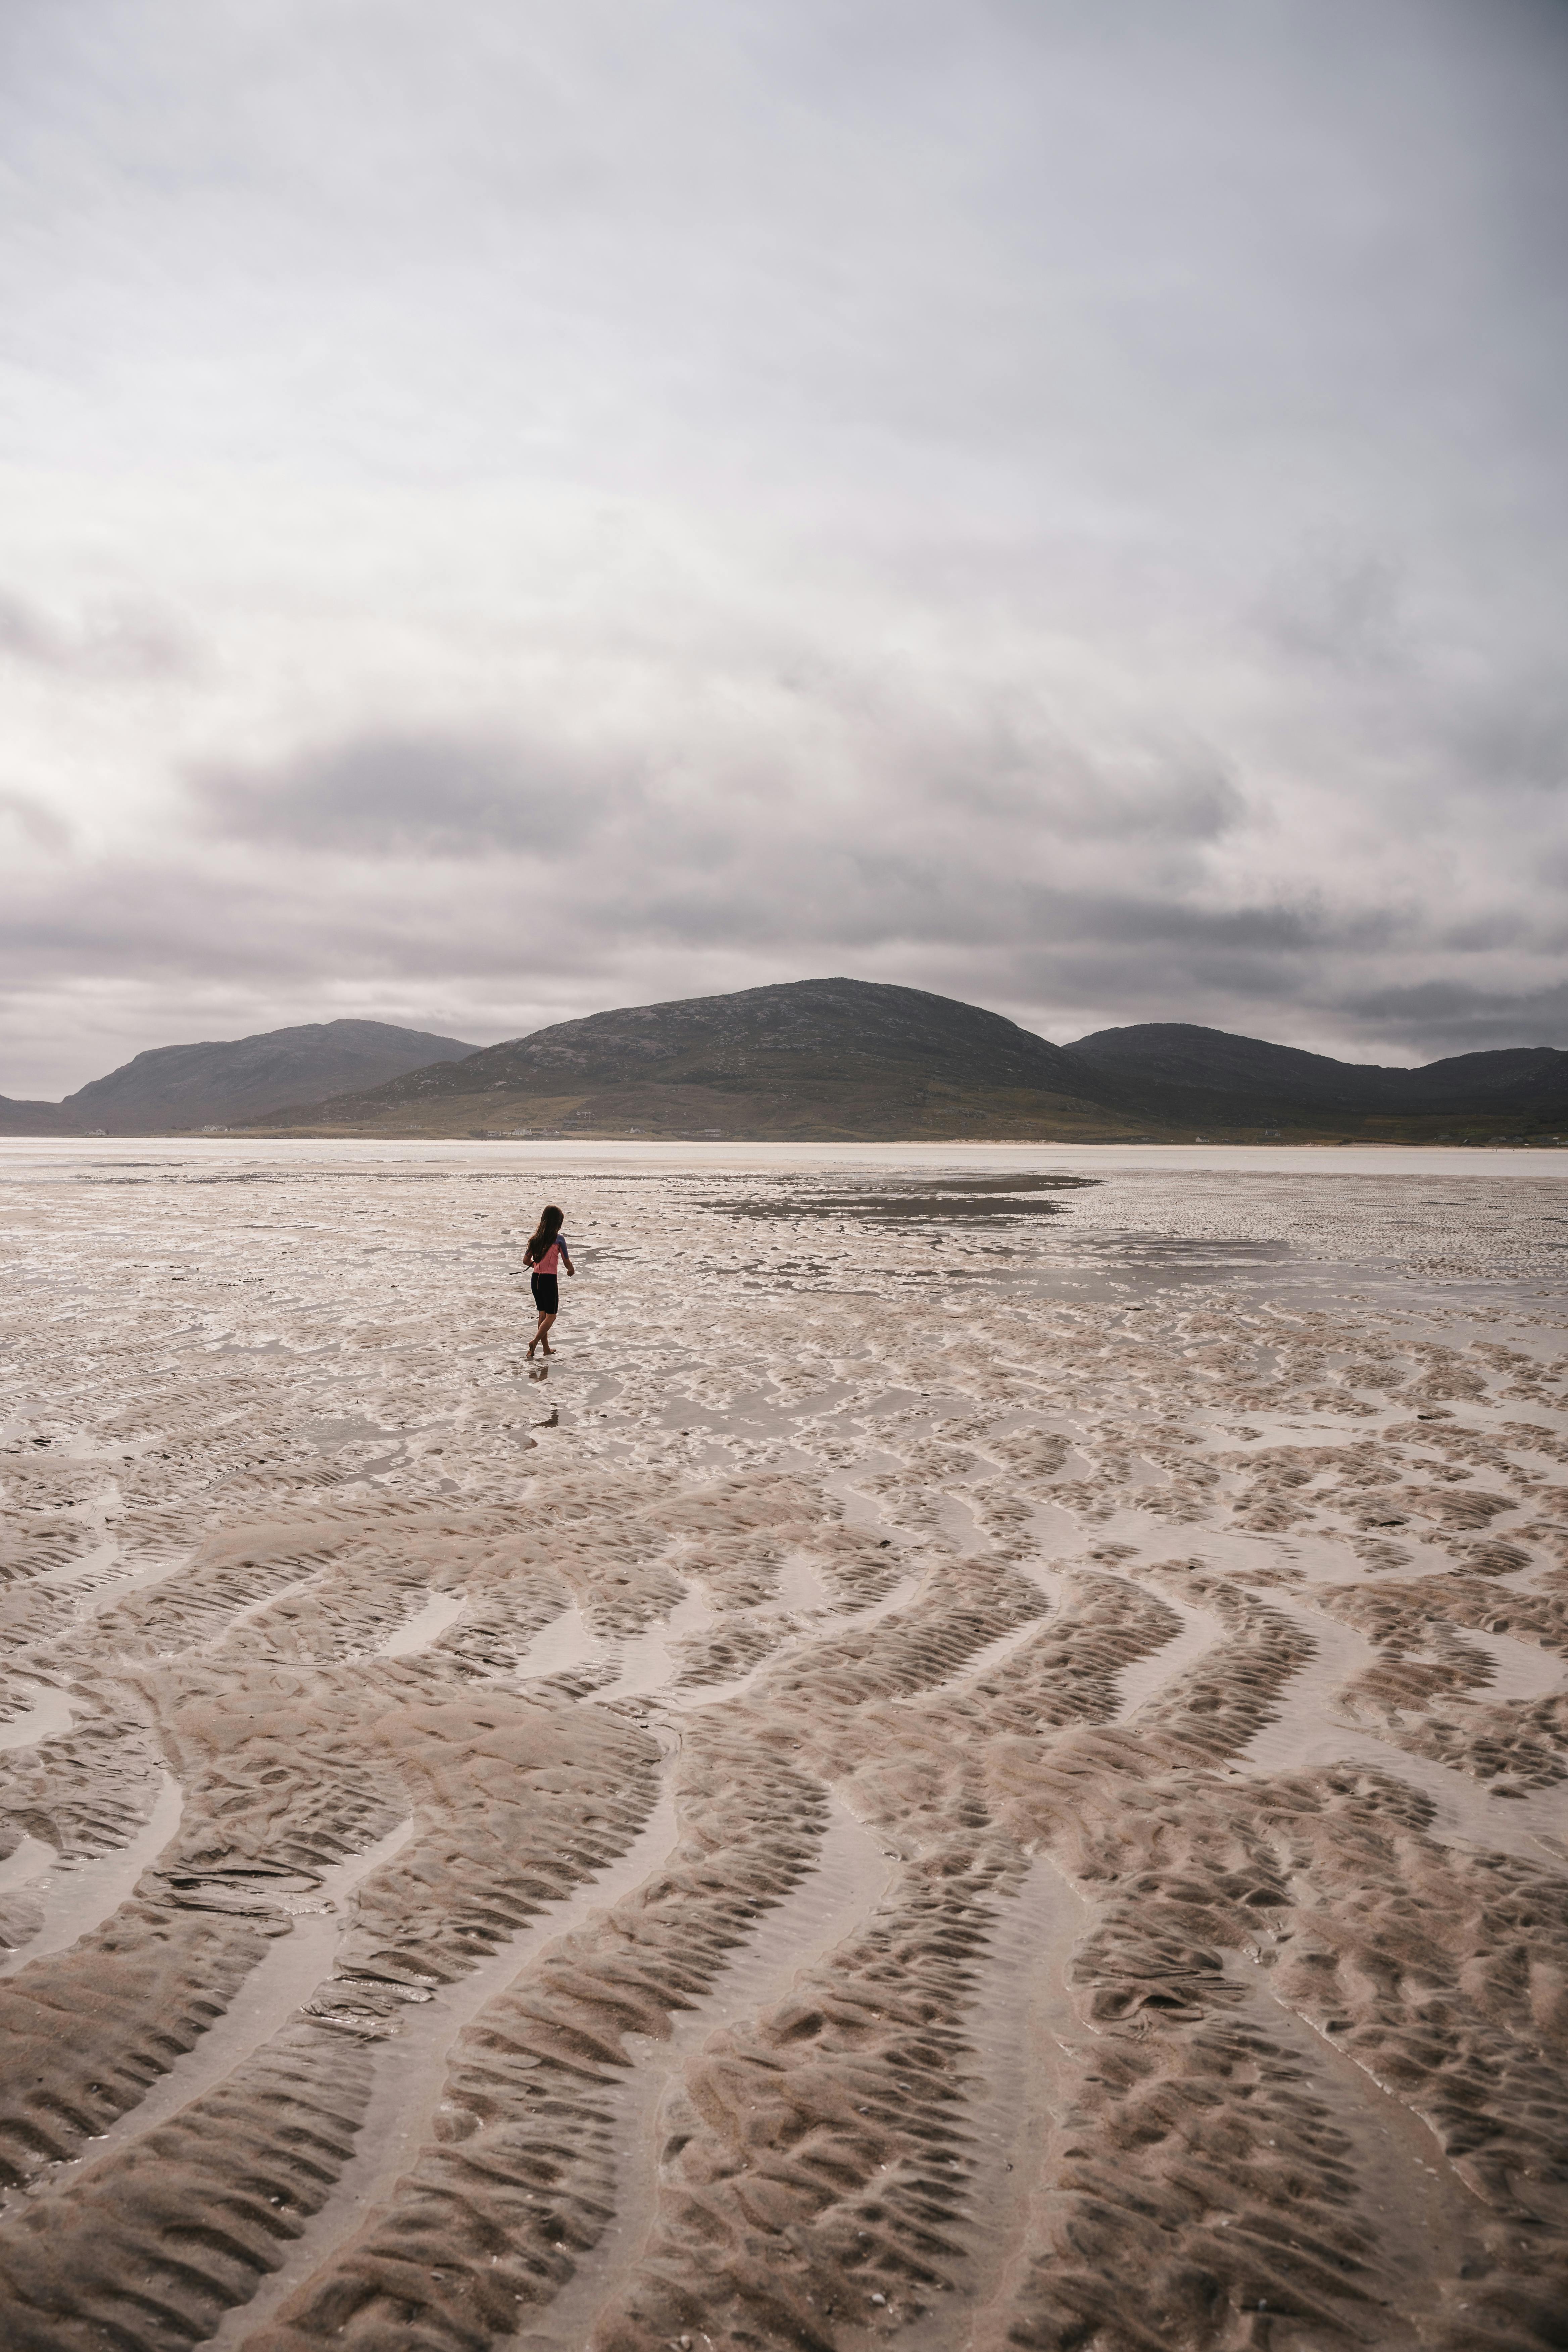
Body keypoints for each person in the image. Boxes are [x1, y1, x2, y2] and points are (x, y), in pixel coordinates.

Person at [523, 1204, 574, 1358]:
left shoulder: (535, 1239)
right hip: (549, 1280)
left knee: (543, 1315)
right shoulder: (559, 1240)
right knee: (552, 1316)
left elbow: (526, 1260)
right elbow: (566, 1261)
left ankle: (546, 1349)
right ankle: (535, 1342)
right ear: (558, 1223)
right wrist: (571, 1270)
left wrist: (536, 1266)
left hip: (535, 1279)